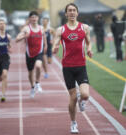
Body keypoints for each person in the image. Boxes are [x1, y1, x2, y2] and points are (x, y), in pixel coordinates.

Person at [52, 3, 93, 134]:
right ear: (66, 14)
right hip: (68, 67)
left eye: (74, 10)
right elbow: (55, 42)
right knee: (73, 97)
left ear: (77, 13)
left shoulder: (84, 28)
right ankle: (73, 123)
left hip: (81, 66)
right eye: (69, 10)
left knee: (85, 95)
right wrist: (55, 47)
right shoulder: (61, 30)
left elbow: (88, 41)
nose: (71, 12)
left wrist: (89, 49)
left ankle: (82, 100)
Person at [16, 11, 47, 98]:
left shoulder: (41, 28)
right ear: (29, 19)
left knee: (38, 66)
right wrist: (24, 36)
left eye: (35, 17)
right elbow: (17, 39)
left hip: (39, 52)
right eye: (32, 17)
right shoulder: (26, 29)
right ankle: (32, 87)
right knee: (30, 73)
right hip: (29, 54)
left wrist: (46, 45)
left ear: (38, 18)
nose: (34, 19)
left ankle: (37, 83)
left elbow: (44, 36)